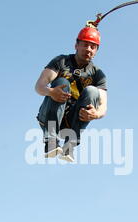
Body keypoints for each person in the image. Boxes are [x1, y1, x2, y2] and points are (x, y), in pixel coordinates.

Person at [35, 25, 108, 162]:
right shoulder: (61, 61)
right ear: (76, 45)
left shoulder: (98, 74)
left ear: (96, 50)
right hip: (50, 115)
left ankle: (70, 145)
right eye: (85, 45)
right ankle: (50, 141)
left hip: (72, 121)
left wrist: (96, 114)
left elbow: (103, 105)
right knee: (62, 81)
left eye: (93, 47)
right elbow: (39, 86)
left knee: (92, 91)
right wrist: (51, 92)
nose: (88, 49)